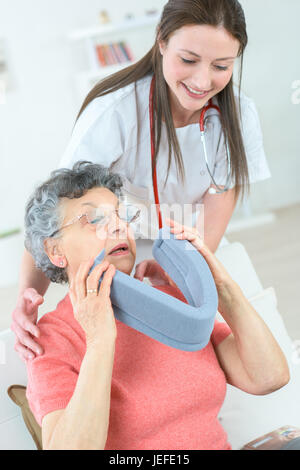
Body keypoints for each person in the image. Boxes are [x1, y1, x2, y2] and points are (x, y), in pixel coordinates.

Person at [11, 0, 271, 359]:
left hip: (196, 245)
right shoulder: (114, 111)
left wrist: (186, 263)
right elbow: (57, 205)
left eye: (221, 66)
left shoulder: (240, 113)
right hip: (125, 257)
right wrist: (29, 295)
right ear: (161, 41)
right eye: (189, 60)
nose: (201, 81)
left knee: (230, 353)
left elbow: (221, 192)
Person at [24, 161, 288, 450]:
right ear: (55, 251)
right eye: (95, 219)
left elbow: (269, 377)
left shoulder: (170, 303)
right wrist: (100, 340)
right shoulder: (51, 339)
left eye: (122, 216)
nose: (118, 226)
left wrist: (221, 286)